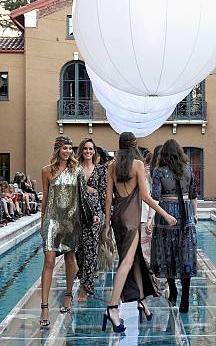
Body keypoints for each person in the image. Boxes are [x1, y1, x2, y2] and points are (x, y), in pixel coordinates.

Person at [102, 132, 176, 333]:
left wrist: (107, 225)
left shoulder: (111, 166)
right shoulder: (138, 165)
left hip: (117, 216)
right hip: (132, 217)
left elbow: (108, 199)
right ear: (134, 146)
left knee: (135, 259)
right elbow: (145, 196)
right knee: (126, 262)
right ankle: (112, 307)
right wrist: (165, 215)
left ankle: (141, 300)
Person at [39, 136, 94, 328]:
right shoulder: (47, 171)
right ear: (57, 150)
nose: (68, 151)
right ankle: (45, 307)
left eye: (70, 148)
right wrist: (42, 223)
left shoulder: (76, 169)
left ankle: (68, 295)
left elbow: (82, 193)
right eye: (65, 148)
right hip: (52, 221)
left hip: (72, 221)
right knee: (49, 261)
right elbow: (45, 199)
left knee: (71, 259)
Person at [149, 139, 198, 313]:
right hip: (186, 213)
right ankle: (185, 298)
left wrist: (150, 218)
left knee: (167, 252)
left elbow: (155, 196)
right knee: (186, 254)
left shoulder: (159, 172)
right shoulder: (189, 170)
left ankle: (173, 290)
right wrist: (195, 214)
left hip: (166, 213)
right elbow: (193, 195)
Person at [75, 138, 107, 302]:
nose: (88, 151)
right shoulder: (74, 169)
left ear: (94, 152)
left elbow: (103, 194)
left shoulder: (101, 170)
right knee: (79, 251)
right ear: (81, 150)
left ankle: (85, 287)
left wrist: (105, 215)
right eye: (86, 149)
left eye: (91, 149)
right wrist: (85, 188)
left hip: (95, 214)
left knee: (91, 250)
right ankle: (83, 276)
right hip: (77, 213)